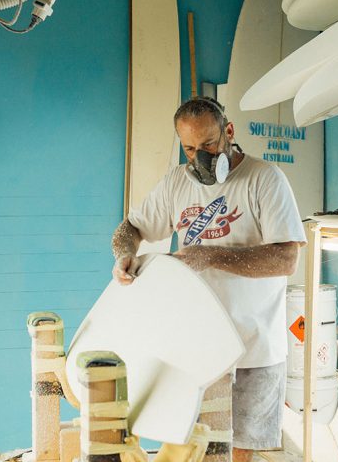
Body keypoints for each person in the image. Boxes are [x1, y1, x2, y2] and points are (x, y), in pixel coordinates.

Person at [111, 96, 306, 460]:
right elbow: (129, 229)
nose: (200, 157)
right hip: (195, 343)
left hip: (254, 347)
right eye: (189, 149)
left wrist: (210, 256)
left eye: (209, 144)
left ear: (229, 131)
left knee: (240, 451)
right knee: (196, 445)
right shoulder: (176, 184)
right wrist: (124, 253)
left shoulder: (265, 179)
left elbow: (286, 259)